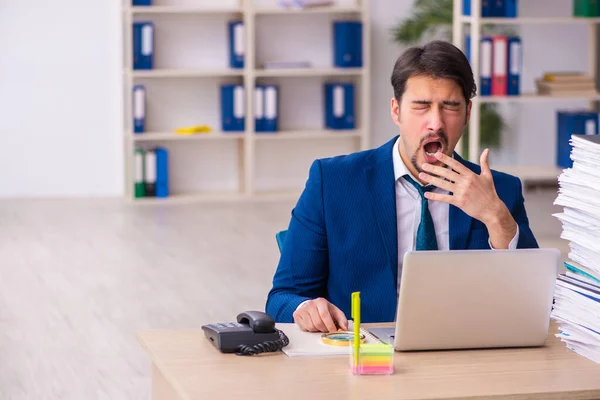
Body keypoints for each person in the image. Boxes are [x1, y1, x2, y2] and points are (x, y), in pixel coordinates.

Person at [265, 40, 538, 333]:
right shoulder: (331, 181)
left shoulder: (501, 191)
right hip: (365, 358)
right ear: (396, 111)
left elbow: (536, 303)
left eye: (450, 107)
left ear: (468, 113)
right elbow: (282, 298)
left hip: (463, 358)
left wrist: (496, 218)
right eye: (421, 107)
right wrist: (304, 308)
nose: (435, 123)